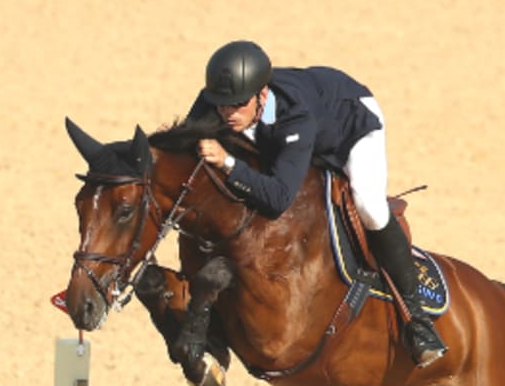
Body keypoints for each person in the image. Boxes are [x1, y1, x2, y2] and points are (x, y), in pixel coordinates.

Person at [188, 40, 445, 368]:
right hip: (305, 119)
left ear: (261, 96)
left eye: (236, 106)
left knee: (368, 204)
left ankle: (417, 320)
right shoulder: (216, 101)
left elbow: (279, 198)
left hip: (350, 123)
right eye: (221, 105)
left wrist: (228, 163)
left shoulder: (294, 116)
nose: (226, 114)